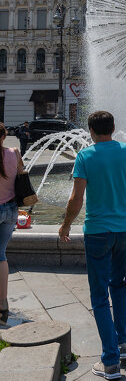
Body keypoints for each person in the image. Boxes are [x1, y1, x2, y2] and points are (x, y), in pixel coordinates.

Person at [59, 111, 126, 380]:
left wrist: (65, 225)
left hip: (97, 231)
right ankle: (123, 345)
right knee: (118, 284)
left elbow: (76, 198)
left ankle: (110, 363)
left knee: (99, 296)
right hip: (123, 229)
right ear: (113, 128)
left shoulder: (86, 156)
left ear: (90, 130)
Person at [0, 123, 23, 324]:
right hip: (11, 210)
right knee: (1, 255)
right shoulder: (14, 152)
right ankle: (3, 303)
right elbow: (21, 175)